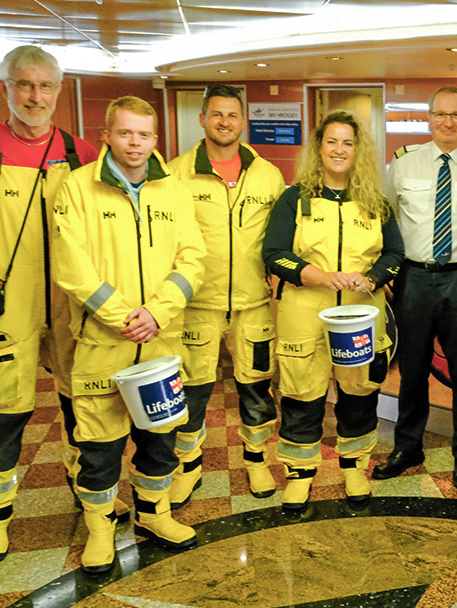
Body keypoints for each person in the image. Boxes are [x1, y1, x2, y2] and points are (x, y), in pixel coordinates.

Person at [0, 45, 101, 565]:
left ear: (59, 90)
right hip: (1, 304)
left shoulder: (83, 154)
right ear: (5, 87)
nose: (35, 96)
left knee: (85, 403)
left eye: (45, 86)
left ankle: (92, 494)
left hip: (70, 300)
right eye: (24, 84)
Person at [52, 96, 207, 573]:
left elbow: (193, 258)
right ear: (107, 135)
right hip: (103, 341)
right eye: (125, 133)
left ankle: (154, 515)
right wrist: (124, 317)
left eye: (143, 134)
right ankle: (100, 531)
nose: (135, 143)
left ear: (155, 139)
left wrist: (157, 313)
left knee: (159, 437)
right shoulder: (77, 187)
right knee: (100, 446)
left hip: (160, 341)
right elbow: (72, 266)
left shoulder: (174, 190)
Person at [263, 110, 403, 509]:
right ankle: (300, 474)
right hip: (304, 314)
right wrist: (321, 276)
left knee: (359, 394)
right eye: (332, 142)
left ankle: (355, 468)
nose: (339, 150)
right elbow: (274, 254)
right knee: (301, 397)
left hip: (360, 316)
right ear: (319, 148)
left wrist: (372, 279)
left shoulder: (375, 203)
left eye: (348, 143)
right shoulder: (295, 198)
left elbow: (395, 254)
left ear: (358, 151)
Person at [374, 86, 457, 488]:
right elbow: (388, 218)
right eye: (440, 114)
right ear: (429, 118)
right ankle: (407, 446)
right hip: (414, 278)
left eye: (456, 114)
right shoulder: (404, 163)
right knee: (412, 369)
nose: (448, 122)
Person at [167, 85, 286, 507]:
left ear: (243, 120)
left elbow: (280, 238)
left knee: (256, 388)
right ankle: (188, 466)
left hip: (253, 303)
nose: (224, 122)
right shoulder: (176, 174)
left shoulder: (267, 174)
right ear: (202, 119)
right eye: (216, 114)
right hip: (196, 304)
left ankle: (257, 460)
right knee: (191, 391)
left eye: (232, 115)